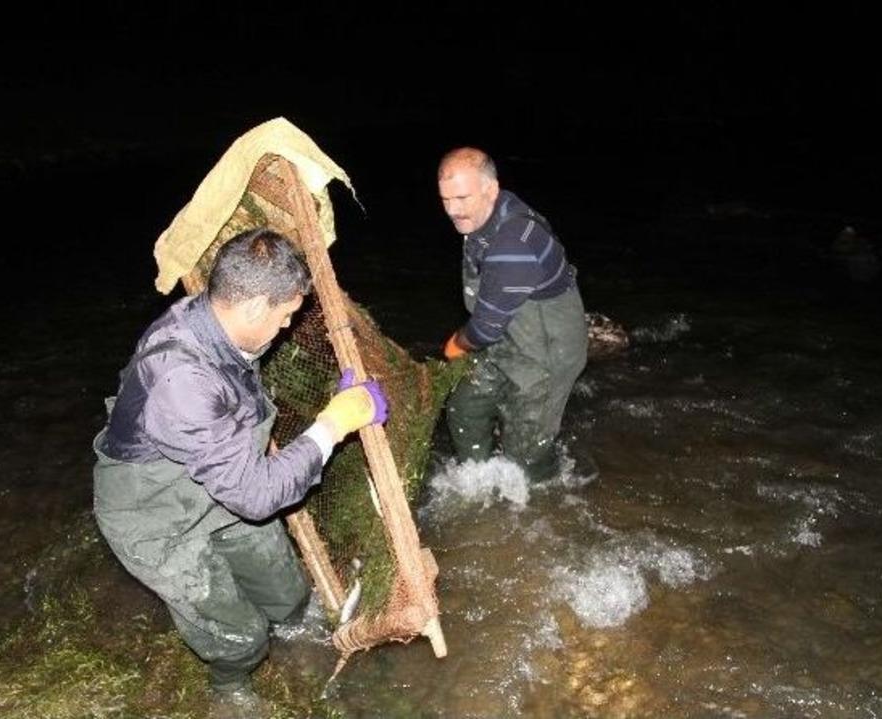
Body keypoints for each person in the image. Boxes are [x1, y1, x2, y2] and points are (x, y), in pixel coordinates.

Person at [92, 228, 387, 715]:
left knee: (288, 594)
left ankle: (294, 634)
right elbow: (255, 495)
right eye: (286, 314)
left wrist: (341, 398)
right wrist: (334, 423)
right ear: (251, 306)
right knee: (241, 636)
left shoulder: (217, 320)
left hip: (212, 483)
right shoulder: (180, 378)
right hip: (155, 516)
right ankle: (228, 688)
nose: (290, 325)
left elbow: (240, 478)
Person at [438, 147, 588, 481]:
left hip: (547, 353)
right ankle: (477, 483)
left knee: (525, 458)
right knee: (465, 407)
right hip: (510, 336)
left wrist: (455, 345)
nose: (453, 210)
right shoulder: (486, 214)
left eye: (462, 198)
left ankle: (546, 496)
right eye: (445, 199)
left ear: (491, 190)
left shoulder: (513, 243)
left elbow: (484, 331)